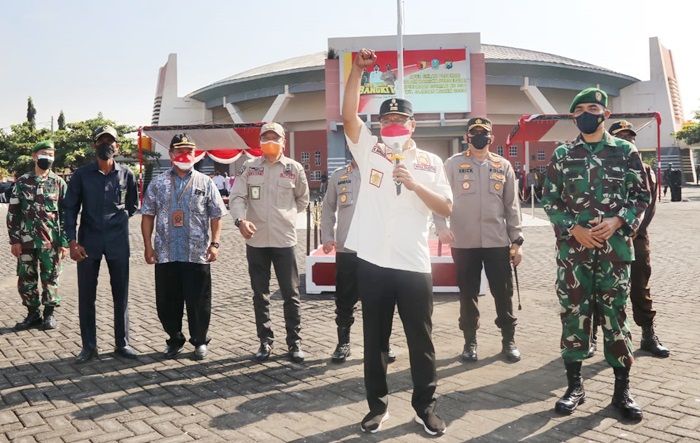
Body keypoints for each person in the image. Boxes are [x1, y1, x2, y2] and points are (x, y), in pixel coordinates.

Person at [343, 48, 452, 436]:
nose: (392, 124)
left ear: (413, 124)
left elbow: (446, 206)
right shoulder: (369, 149)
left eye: (399, 119)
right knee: (375, 341)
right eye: (386, 118)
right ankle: (377, 406)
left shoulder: (431, 162)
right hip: (373, 261)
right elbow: (348, 116)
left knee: (420, 342)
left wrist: (415, 183)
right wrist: (356, 71)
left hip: (413, 263)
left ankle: (425, 407)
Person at [542, 88, 649, 421]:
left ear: (606, 113)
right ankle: (575, 387)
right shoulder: (562, 154)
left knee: (617, 317)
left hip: (614, 252)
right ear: (574, 116)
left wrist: (619, 221)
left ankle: (622, 391)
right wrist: (573, 228)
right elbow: (550, 200)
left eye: (594, 107)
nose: (588, 113)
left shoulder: (626, 151)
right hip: (574, 253)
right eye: (582, 109)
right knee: (573, 315)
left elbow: (641, 196)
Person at [434, 117, 524, 363]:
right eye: (474, 133)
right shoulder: (452, 164)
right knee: (468, 294)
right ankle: (470, 342)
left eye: (483, 133)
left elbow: (511, 206)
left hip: (497, 242)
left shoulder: (502, 165)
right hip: (464, 242)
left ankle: (508, 340)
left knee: (503, 293)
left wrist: (516, 241)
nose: (478, 137)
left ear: (491, 138)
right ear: (467, 137)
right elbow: (440, 198)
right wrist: (440, 226)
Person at [141, 134, 227, 361]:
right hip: (166, 252)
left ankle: (199, 341)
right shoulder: (158, 183)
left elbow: (216, 215)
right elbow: (148, 215)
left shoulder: (205, 182)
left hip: (196, 253)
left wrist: (215, 243)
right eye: (179, 151)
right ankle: (174, 338)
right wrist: (148, 247)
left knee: (199, 300)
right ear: (170, 154)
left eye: (189, 151)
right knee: (167, 301)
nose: (184, 155)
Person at [230, 122, 310, 363]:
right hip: (255, 241)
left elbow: (303, 199)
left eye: (275, 137)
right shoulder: (249, 168)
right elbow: (237, 197)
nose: (270, 141)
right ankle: (265, 341)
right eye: (266, 138)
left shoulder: (294, 169)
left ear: (283, 141)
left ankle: (294, 342)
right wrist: (240, 221)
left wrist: (286, 217)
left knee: (291, 294)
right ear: (260, 142)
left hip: (284, 240)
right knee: (260, 294)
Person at [588, 121, 669, 358]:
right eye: (622, 136)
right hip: (605, 237)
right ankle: (591, 336)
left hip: (636, 236)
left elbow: (649, 204)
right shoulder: (599, 166)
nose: (628, 140)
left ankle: (647, 334)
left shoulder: (644, 169)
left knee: (640, 286)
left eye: (630, 136)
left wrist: (630, 228)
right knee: (596, 286)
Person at [63, 125, 139, 363]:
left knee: (121, 295)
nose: (107, 144)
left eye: (111, 141)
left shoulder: (127, 174)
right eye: (101, 141)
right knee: (87, 295)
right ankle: (89, 346)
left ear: (117, 146)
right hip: (88, 241)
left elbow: (132, 205)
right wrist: (72, 242)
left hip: (118, 241)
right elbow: (69, 209)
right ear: (94, 145)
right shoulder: (81, 175)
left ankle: (122, 343)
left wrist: (120, 219)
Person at [320, 158, 396, 364]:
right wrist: (327, 236)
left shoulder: (383, 174)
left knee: (380, 300)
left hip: (376, 249)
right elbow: (328, 208)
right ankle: (343, 343)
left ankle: (382, 345)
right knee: (345, 299)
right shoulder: (339, 176)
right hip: (347, 249)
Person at [7, 140, 69, 331]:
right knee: (26, 278)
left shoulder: (59, 183)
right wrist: (14, 240)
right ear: (34, 156)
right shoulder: (22, 182)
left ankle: (49, 314)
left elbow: (67, 214)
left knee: (50, 276)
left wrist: (65, 242)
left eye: (50, 154)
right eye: (43, 153)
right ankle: (32, 314)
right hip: (25, 241)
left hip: (51, 241)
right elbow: (13, 213)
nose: (47, 157)